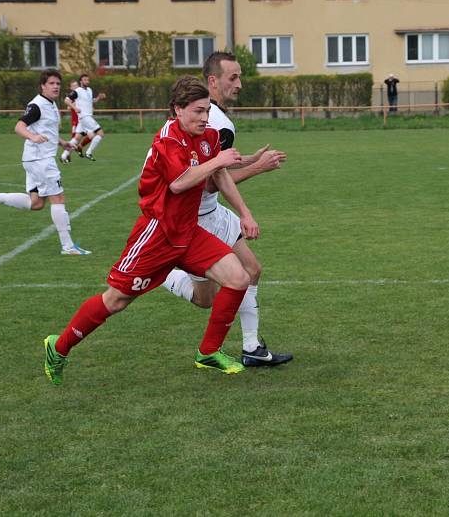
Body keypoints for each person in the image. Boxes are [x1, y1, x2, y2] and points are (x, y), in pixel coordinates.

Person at [43, 75, 259, 384]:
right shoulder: (167, 139)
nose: (204, 117)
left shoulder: (209, 136)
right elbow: (180, 182)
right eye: (197, 111)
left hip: (189, 231)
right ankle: (59, 346)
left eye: (207, 110)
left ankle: (208, 352)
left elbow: (221, 175)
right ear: (177, 110)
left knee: (239, 278)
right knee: (116, 300)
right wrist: (216, 163)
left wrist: (245, 213)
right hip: (157, 234)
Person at [161, 51, 293, 367]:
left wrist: (246, 159)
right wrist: (258, 168)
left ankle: (251, 349)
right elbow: (209, 181)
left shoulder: (207, 118)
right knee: (205, 298)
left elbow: (211, 162)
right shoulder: (218, 121)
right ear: (212, 81)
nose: (240, 84)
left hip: (211, 212)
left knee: (252, 270)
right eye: (233, 77)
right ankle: (162, 272)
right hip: (199, 218)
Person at [0, 69, 91, 256]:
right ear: (43, 85)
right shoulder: (36, 105)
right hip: (40, 160)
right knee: (58, 198)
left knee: (36, 203)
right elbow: (19, 127)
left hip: (35, 159)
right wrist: (32, 137)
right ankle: (68, 247)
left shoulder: (50, 105)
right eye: (51, 83)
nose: (55, 87)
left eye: (58, 84)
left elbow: (46, 130)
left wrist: (62, 143)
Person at [61, 73, 106, 162]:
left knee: (76, 139)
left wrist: (98, 98)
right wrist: (75, 108)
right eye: (85, 80)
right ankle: (89, 152)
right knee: (100, 134)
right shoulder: (77, 91)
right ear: (81, 81)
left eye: (88, 80)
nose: (87, 81)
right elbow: (66, 100)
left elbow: (90, 101)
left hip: (83, 119)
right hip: (85, 117)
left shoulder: (89, 90)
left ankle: (63, 156)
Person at [63, 79, 91, 161]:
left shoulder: (80, 95)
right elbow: (68, 107)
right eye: (73, 86)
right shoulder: (72, 98)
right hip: (76, 122)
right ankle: (67, 155)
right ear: (71, 88)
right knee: (74, 140)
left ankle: (78, 148)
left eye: (76, 85)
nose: (75, 87)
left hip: (83, 121)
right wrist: (74, 105)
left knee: (91, 135)